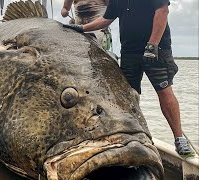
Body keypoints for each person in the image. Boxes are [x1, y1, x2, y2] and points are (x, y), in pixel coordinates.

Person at [63, 0, 195, 157]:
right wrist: (81, 28)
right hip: (129, 53)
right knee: (127, 96)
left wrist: (152, 44)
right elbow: (106, 19)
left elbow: (162, 11)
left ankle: (179, 139)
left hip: (156, 50)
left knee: (164, 92)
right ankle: (134, 135)